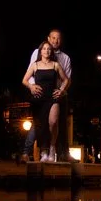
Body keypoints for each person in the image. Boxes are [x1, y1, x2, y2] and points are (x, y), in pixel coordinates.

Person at [22, 29, 73, 161]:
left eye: (58, 38)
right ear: (48, 39)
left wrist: (61, 90)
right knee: (39, 124)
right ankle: (30, 151)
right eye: (53, 38)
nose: (55, 41)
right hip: (40, 95)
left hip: (56, 94)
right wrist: (32, 87)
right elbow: (28, 75)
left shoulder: (64, 58)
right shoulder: (37, 54)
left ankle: (61, 153)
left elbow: (67, 79)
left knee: (58, 123)